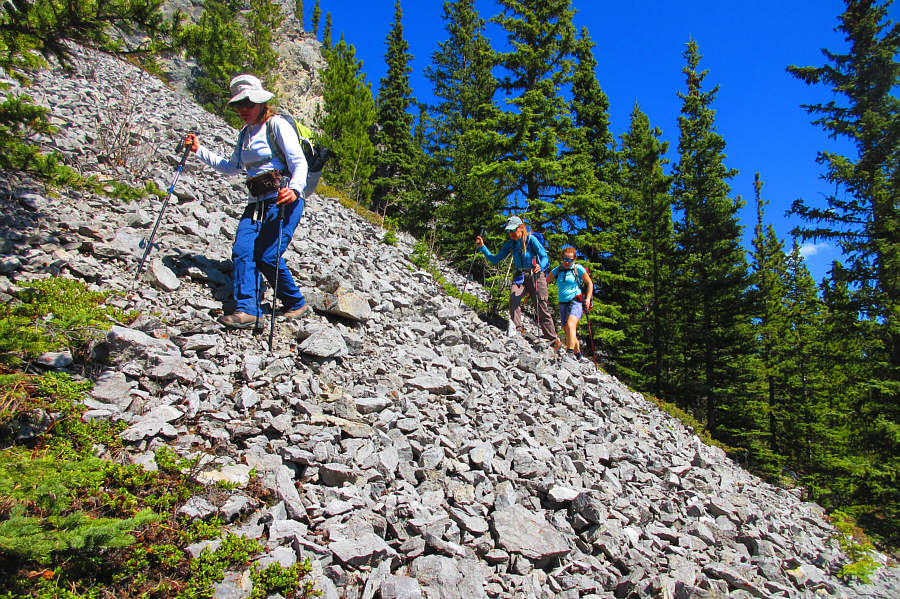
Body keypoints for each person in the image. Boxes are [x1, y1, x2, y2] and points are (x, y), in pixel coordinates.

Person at [184, 74, 310, 328]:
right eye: (239, 105)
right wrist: (199, 151)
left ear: (261, 103)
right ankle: (248, 309)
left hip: (284, 199)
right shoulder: (245, 135)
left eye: (249, 104)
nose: (243, 110)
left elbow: (299, 162)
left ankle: (295, 302)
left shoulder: (276, 126)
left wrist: (295, 189)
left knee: (267, 255)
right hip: (256, 203)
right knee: (243, 251)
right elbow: (231, 167)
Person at [476, 216, 560, 348]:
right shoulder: (510, 244)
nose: (511, 234)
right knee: (513, 299)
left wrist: (541, 266)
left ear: (521, 228)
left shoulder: (531, 240)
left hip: (536, 275)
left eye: (513, 231)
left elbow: (544, 257)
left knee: (541, 306)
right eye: (509, 231)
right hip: (520, 275)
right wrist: (483, 247)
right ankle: (518, 329)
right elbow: (494, 259)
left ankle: (552, 339)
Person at [547, 246, 593, 360]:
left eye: (570, 260)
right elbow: (546, 281)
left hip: (576, 300)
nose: (567, 262)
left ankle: (570, 352)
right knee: (567, 329)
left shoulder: (578, 269)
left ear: (574, 259)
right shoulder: (557, 270)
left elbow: (589, 283)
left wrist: (587, 299)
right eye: (565, 259)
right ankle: (579, 355)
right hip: (563, 302)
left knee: (570, 324)